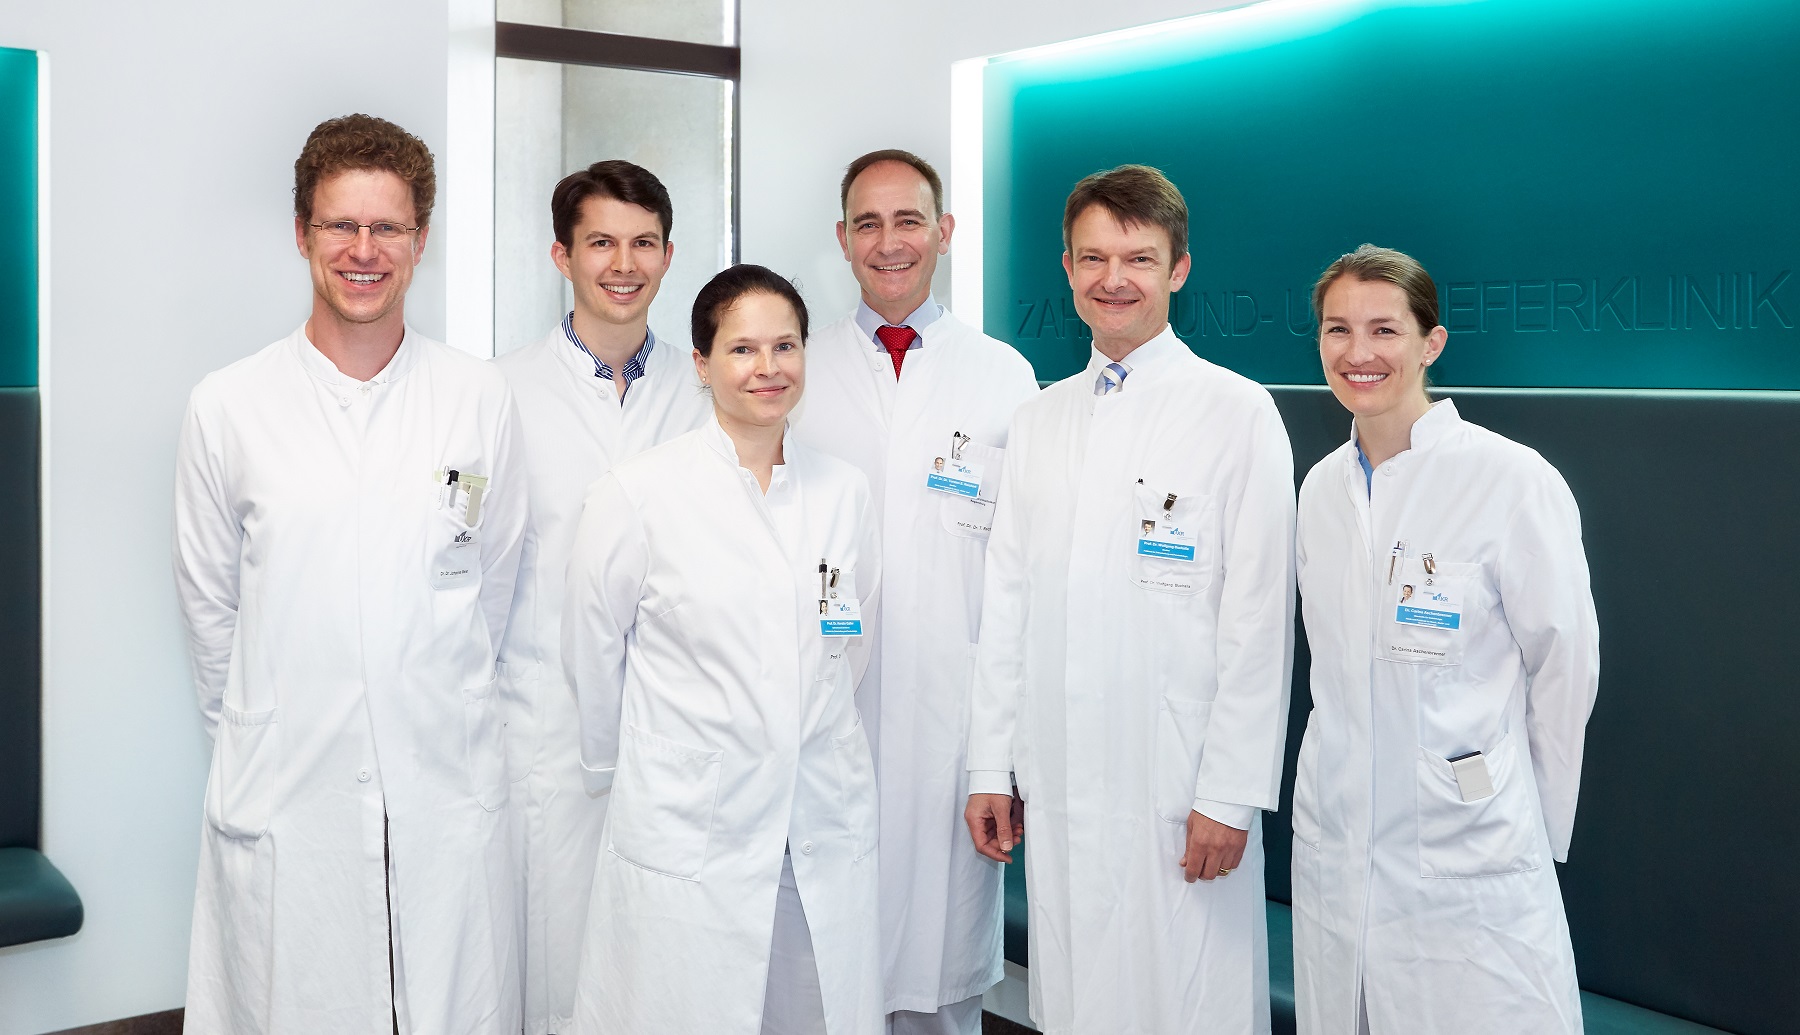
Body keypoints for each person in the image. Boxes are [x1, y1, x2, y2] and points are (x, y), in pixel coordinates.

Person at [173, 114, 525, 1033]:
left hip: (442, 776)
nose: (364, 251)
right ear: (302, 233)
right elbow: (212, 614)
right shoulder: (228, 405)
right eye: (341, 225)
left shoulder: (478, 396)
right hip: (290, 787)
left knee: (450, 996)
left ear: (420, 240)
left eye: (388, 227)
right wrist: (258, 736)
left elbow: (494, 585)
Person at [964, 164, 1295, 1033]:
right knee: (1078, 998)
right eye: (1094, 258)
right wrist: (990, 766)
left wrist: (1230, 793)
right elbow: (1008, 604)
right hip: (1063, 774)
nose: (1114, 279)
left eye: (1139, 258)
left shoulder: (1237, 412)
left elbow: (1260, 622)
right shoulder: (1040, 418)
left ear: (1178, 268)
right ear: (1067, 268)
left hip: (1178, 782)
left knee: (1187, 997)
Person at [563, 264, 883, 1034]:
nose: (768, 367)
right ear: (703, 364)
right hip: (691, 819)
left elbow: (852, 644)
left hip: (817, 809)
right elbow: (592, 652)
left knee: (815, 1008)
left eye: (785, 346)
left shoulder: (844, 491)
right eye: (743, 349)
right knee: (684, 1007)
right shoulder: (639, 492)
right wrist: (627, 766)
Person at [1290, 244, 1599, 1035]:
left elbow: (1565, 665)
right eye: (1337, 329)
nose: (1358, 352)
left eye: (1384, 330)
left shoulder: (1510, 479)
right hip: (1339, 841)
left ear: (1431, 343)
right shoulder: (1320, 489)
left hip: (1470, 850)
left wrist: (1517, 810)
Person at [790, 148, 1038, 1035]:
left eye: (908, 221)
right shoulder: (798, 370)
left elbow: (1019, 582)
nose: (888, 242)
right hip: (823, 718)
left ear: (944, 231)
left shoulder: (1004, 376)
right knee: (820, 978)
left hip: (953, 730)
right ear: (842, 238)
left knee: (939, 985)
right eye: (868, 223)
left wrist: (998, 759)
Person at [493, 159, 709, 1035]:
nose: (624, 264)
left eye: (644, 243)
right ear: (562, 255)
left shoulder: (707, 391)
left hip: (676, 725)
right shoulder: (500, 392)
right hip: (543, 731)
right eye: (601, 243)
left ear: (669, 255)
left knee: (662, 970)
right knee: (554, 967)